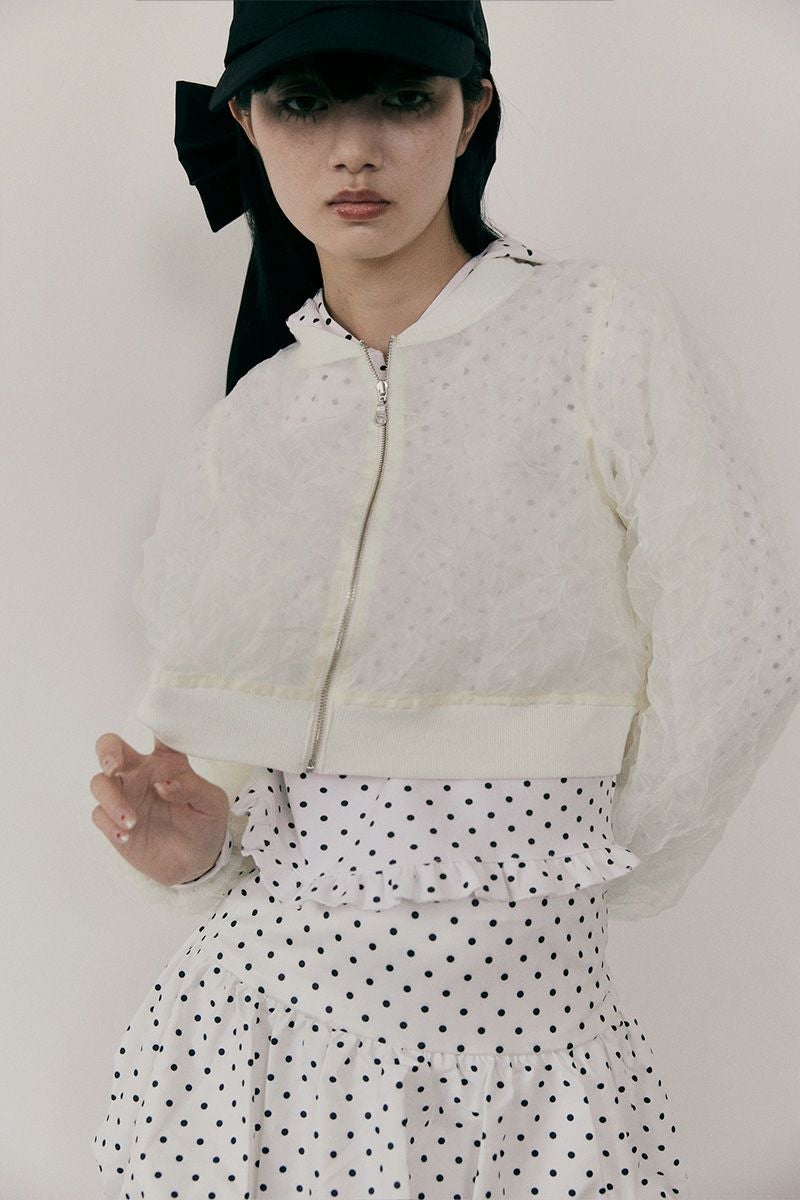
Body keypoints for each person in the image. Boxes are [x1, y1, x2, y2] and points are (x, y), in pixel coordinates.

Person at [90, 2, 800, 1196]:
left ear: (471, 113)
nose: (352, 151)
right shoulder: (248, 425)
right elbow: (215, 765)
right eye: (302, 105)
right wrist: (199, 859)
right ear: (246, 125)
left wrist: (594, 863)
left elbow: (744, 634)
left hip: (524, 1059)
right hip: (250, 1057)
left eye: (401, 99)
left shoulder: (600, 331)